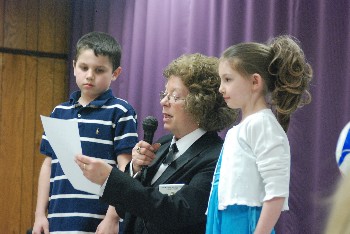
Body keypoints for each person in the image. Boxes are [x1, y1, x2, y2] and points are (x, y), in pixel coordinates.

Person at [75, 53, 237, 233]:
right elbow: (126, 207)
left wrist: (112, 178)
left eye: (174, 96)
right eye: (164, 94)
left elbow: (177, 211)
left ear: (201, 105)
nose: (163, 102)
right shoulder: (163, 145)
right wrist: (134, 169)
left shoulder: (216, 157)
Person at [32, 31, 138, 234]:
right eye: (84, 67)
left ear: (115, 73)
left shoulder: (120, 111)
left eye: (99, 70)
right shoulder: (59, 112)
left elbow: (127, 169)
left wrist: (112, 218)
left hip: (99, 222)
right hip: (59, 222)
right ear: (74, 67)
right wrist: (39, 215)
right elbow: (49, 165)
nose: (90, 75)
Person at [206, 35, 313, 234]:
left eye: (228, 79)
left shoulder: (263, 125)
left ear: (255, 81)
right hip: (222, 218)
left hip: (245, 222)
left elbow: (276, 193)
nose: (221, 88)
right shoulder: (238, 130)